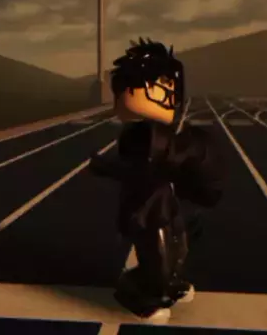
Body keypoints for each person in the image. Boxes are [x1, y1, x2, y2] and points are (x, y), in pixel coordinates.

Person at [89, 37, 225, 323]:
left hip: (165, 200)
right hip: (146, 207)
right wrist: (106, 167)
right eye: (160, 88)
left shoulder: (157, 132)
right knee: (158, 251)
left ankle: (167, 281)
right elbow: (144, 166)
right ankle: (142, 291)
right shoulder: (140, 135)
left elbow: (168, 161)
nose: (167, 95)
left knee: (179, 245)